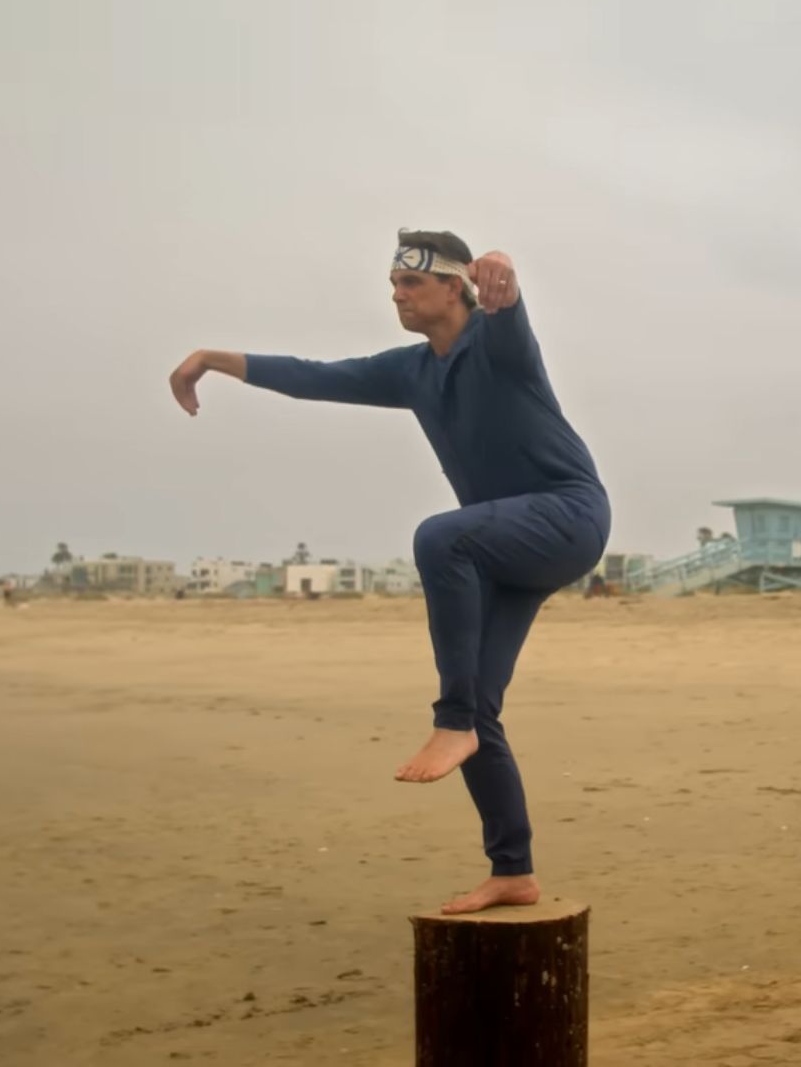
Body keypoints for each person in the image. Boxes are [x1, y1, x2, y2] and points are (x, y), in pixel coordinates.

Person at [168, 229, 611, 913]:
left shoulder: (495, 341)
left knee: (440, 538)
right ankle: (512, 869)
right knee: (483, 710)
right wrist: (213, 359)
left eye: (411, 283)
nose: (397, 295)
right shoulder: (411, 370)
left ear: (454, 286)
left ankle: (452, 719)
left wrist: (507, 278)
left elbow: (509, 309)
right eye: (393, 286)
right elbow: (313, 376)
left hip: (568, 515)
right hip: (503, 546)